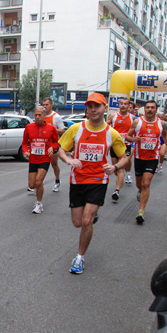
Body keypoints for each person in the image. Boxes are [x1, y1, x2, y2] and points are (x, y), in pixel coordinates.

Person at [57, 93, 128, 275]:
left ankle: (79, 258)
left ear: (105, 108)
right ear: (87, 109)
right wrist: (68, 160)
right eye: (90, 106)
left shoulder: (111, 133)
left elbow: (124, 158)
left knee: (87, 220)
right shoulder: (76, 129)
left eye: (97, 106)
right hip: (77, 180)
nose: (93, 109)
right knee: (77, 222)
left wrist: (115, 167)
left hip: (98, 180)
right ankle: (90, 218)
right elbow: (61, 150)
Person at [126, 100, 167, 224]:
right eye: (147, 107)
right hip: (139, 157)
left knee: (146, 183)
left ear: (156, 109)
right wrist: (133, 139)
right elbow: (127, 136)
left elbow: (165, 134)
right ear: (144, 109)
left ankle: (141, 212)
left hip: (152, 157)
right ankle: (140, 191)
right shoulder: (138, 122)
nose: (150, 110)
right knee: (139, 184)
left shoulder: (161, 123)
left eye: (152, 107)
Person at [22, 106, 59, 213]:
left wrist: (53, 147)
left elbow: (57, 142)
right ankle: (38, 191)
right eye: (36, 115)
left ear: (44, 116)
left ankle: (39, 204)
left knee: (38, 182)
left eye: (40, 115)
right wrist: (25, 151)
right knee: (31, 185)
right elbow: (24, 143)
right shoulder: (29, 127)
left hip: (45, 158)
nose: (37, 117)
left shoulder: (51, 128)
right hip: (33, 159)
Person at [107, 97, 135, 202]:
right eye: (121, 104)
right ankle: (120, 179)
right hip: (115, 145)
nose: (123, 106)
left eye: (125, 104)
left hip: (126, 145)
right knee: (116, 168)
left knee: (121, 168)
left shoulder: (132, 118)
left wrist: (134, 141)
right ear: (119, 105)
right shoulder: (113, 116)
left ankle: (117, 190)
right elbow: (105, 127)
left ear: (129, 106)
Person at [42, 97, 66, 192]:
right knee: (40, 164)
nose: (45, 107)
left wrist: (51, 129)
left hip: (53, 144)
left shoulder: (56, 117)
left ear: (51, 105)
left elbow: (62, 130)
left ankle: (57, 181)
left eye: (47, 105)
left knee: (54, 164)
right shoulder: (42, 116)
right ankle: (38, 183)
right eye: (43, 105)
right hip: (42, 145)